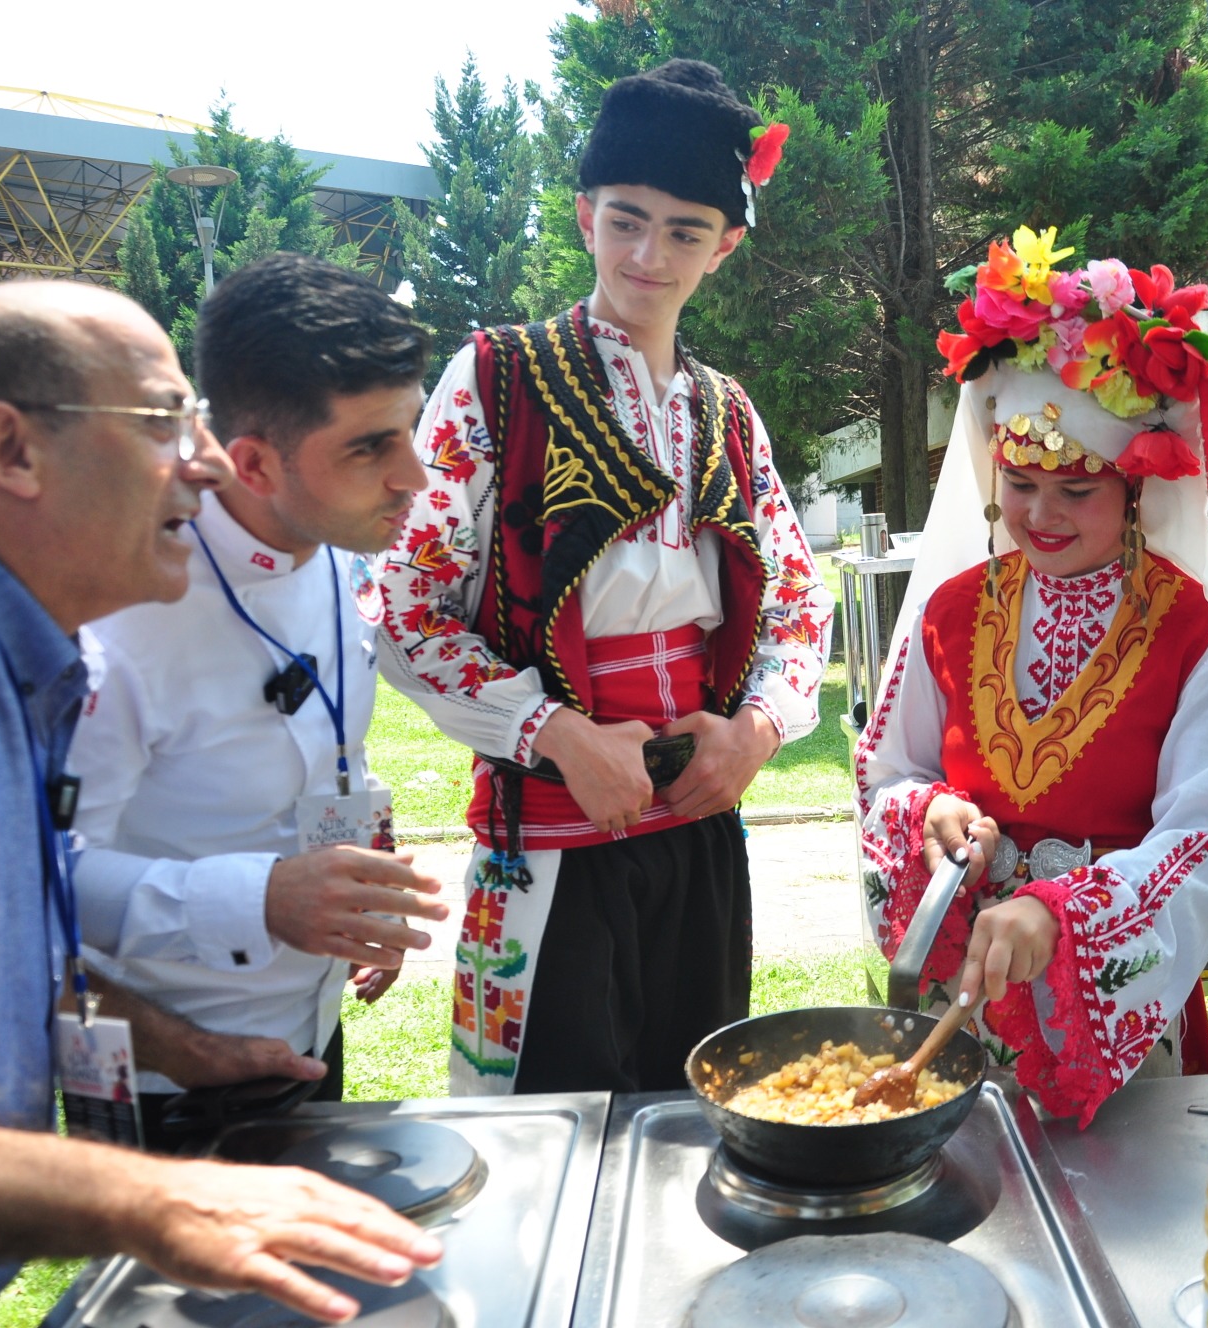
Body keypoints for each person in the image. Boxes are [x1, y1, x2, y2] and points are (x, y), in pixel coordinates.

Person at [0, 281, 441, 1324]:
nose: (205, 462)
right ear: (13, 450)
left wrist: (175, 1047)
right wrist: (154, 1196)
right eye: (164, 420)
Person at [372, 58, 832, 1095]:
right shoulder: (496, 376)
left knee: (698, 1119)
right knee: (546, 1134)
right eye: (626, 220)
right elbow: (403, 606)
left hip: (701, 831)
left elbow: (798, 604)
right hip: (548, 836)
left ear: (725, 245)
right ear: (584, 216)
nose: (648, 255)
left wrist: (756, 731)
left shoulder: (728, 411)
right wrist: (558, 734)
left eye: (684, 231)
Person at [855, 229, 1208, 1127]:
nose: (1041, 514)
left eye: (1078, 489)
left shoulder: (1203, 640)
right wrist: (926, 812)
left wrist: (1064, 916)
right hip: (956, 999)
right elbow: (887, 770)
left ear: (1135, 487)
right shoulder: (948, 612)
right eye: (1019, 484)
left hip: (1104, 1014)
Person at [69, 253, 449, 1148]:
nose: (417, 476)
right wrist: (263, 900)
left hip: (309, 1033)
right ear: (253, 463)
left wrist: (355, 882)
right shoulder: (121, 616)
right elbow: (35, 880)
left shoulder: (339, 544)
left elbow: (322, 743)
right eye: (371, 446)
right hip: (170, 1076)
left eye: (411, 428)